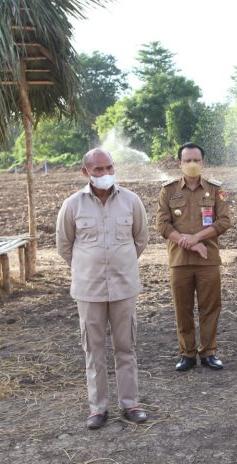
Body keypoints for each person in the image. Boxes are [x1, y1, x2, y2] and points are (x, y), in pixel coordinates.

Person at [56, 148, 149, 429]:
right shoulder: (72, 205)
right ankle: (98, 409)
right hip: (89, 290)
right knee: (93, 351)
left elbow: (140, 240)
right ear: (86, 172)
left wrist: (120, 264)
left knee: (125, 347)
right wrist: (89, 266)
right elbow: (64, 245)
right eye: (98, 170)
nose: (105, 174)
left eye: (109, 167)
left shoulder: (132, 202)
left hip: (123, 288)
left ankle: (130, 404)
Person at [156, 142, 231, 372]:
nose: (191, 164)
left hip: (207, 259)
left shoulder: (216, 189)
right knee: (183, 308)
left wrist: (197, 238)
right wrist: (185, 241)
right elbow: (162, 224)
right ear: (179, 163)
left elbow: (224, 221)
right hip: (179, 261)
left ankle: (208, 352)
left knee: (210, 307)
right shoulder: (168, 191)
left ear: (203, 162)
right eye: (187, 160)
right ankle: (187, 353)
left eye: (196, 160)